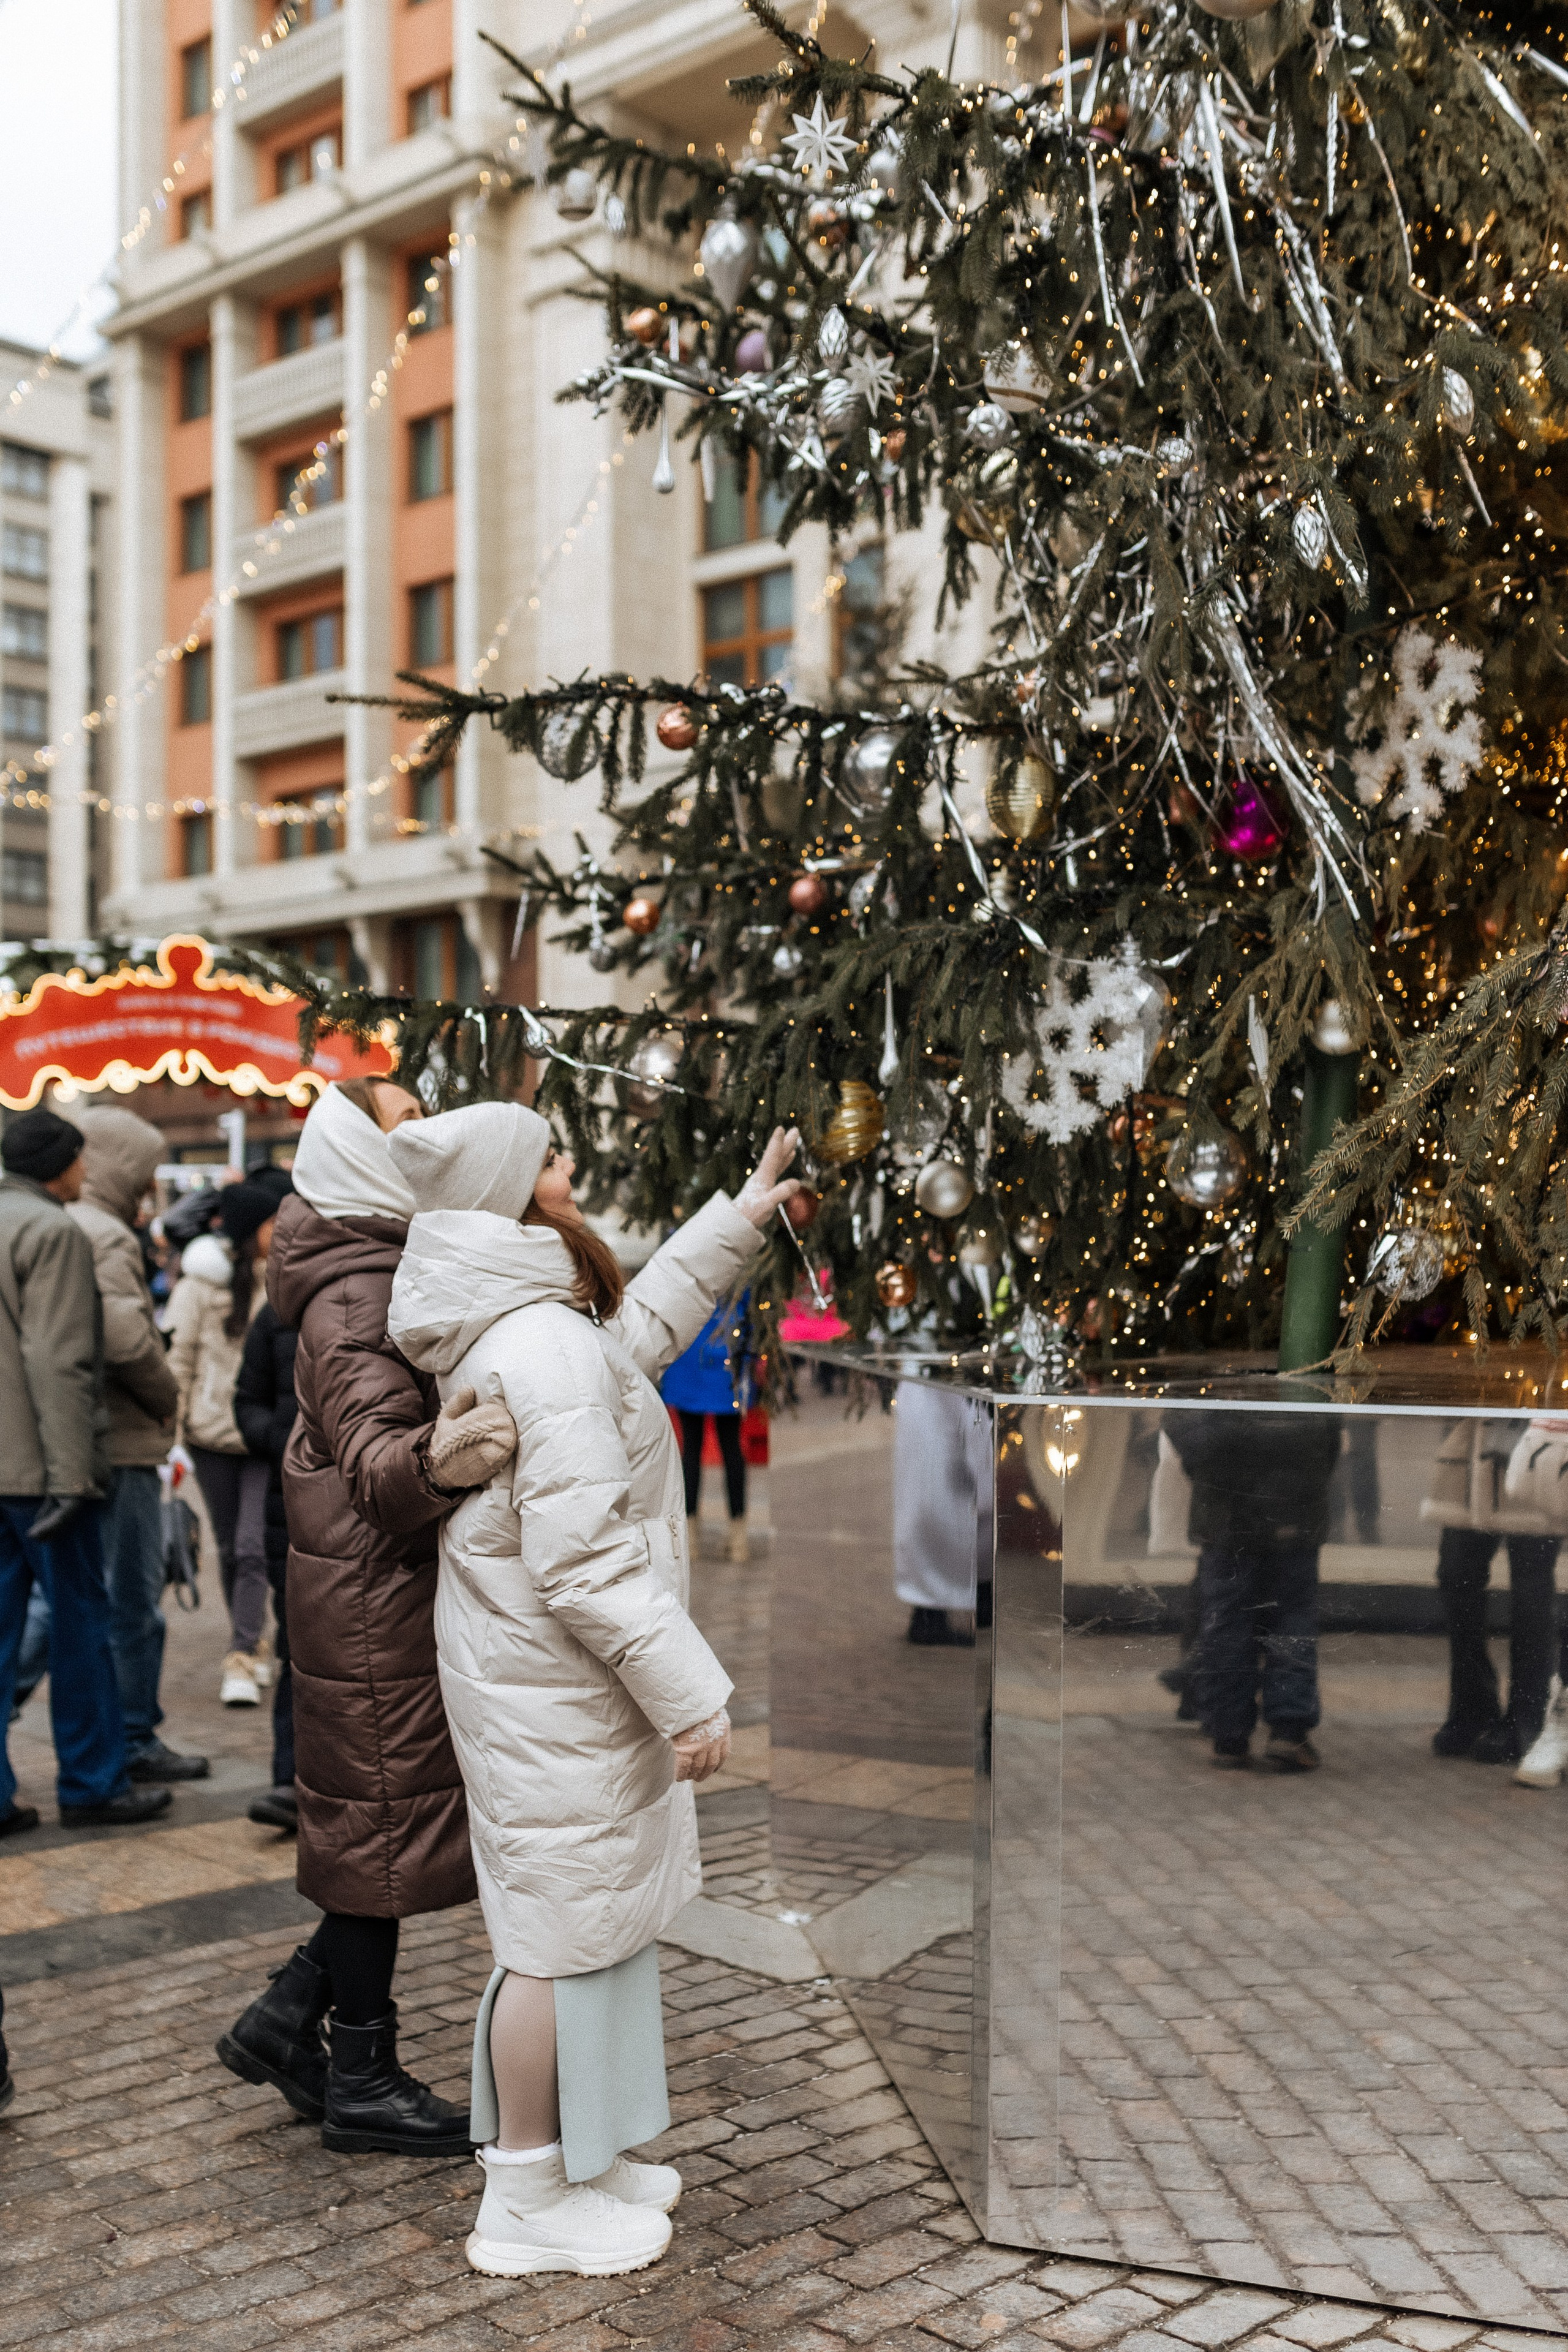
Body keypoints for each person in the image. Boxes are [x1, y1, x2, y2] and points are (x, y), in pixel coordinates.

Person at [385, 1102, 799, 2280]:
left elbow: (638, 1336)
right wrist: (688, 1695)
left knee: (584, 1921)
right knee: (555, 1936)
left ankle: (575, 2157)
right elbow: (582, 1562)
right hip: (551, 1684)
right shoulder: (539, 1341)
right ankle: (521, 2196)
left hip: (545, 1681)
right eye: (554, 1158)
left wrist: (737, 1218)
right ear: (520, 1192)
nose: (572, 1171)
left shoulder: (530, 1319)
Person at [217, 1077, 518, 2157]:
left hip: (370, 1590)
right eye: (402, 1124)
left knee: (376, 1835)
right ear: (359, 1156)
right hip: (367, 1599)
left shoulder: (375, 1266)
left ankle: (292, 2022)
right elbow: (384, 1468)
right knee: (377, 1839)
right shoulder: (353, 1295)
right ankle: (361, 2076)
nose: (424, 1135)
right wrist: (449, 1453)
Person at [0, 1107, 170, 1832]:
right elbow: (60, 1361)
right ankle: (93, 1781)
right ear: (62, 1166)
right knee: (82, 1626)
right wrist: (74, 1475)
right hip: (43, 1470)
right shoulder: (54, 1232)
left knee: (3, 1629)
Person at [66, 1107, 208, 1785]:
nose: (151, 1194)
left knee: (61, 1601)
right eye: (146, 1176)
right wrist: (167, 1395)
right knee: (131, 1603)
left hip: (71, 1441)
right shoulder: (106, 1236)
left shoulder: (58, 1223)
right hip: (121, 1443)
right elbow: (126, 1339)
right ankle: (134, 1736)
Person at [1164, 1408, 1343, 1773]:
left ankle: (1229, 1737)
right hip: (1294, 1510)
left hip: (1225, 1515)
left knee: (1227, 1624)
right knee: (1292, 1618)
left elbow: (1182, 1423)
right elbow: (1327, 1432)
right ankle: (1289, 1732)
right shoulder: (1302, 1364)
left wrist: (1208, 1470)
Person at [168, 1183, 279, 1708]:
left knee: (255, 1547)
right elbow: (179, 1362)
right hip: (211, 1436)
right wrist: (173, 1439)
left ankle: (239, 1656)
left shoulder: (276, 1284)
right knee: (232, 1548)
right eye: (270, 1223)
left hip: (260, 1438)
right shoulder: (196, 1288)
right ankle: (253, 1637)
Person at [1420, 1418, 1562, 1763]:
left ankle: (1526, 1717)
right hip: (1475, 1445)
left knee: (1531, 1590)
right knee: (1455, 1572)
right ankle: (1473, 1705)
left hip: (1540, 1443)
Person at [233, 1201, 299, 1831]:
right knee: (297, 1649)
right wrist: (280, 1437)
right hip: (292, 1505)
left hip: (364, 1506)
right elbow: (246, 1400)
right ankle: (291, 1779)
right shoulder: (274, 1316)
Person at [892, 1381, 992, 1646]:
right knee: (934, 1499)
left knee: (982, 1494)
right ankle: (928, 1614)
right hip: (932, 1393)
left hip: (961, 1388)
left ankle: (983, 1595)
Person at [661, 1297, 753, 1564]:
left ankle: (691, 1538)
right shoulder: (740, 1268)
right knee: (732, 1449)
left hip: (690, 1359)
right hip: (729, 1359)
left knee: (691, 1451)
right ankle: (739, 1538)